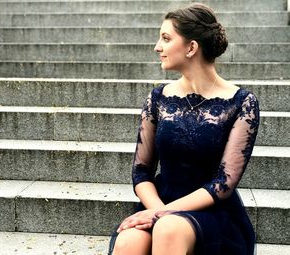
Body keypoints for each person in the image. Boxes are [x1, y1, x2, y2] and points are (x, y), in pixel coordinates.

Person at [109, 3, 260, 255]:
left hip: (211, 210)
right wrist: (158, 210)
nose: (157, 47)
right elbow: (141, 171)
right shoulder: (158, 98)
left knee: (169, 229)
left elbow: (223, 184)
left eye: (166, 39)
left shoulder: (242, 103)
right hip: (161, 200)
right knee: (129, 241)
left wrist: (163, 215)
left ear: (191, 48)